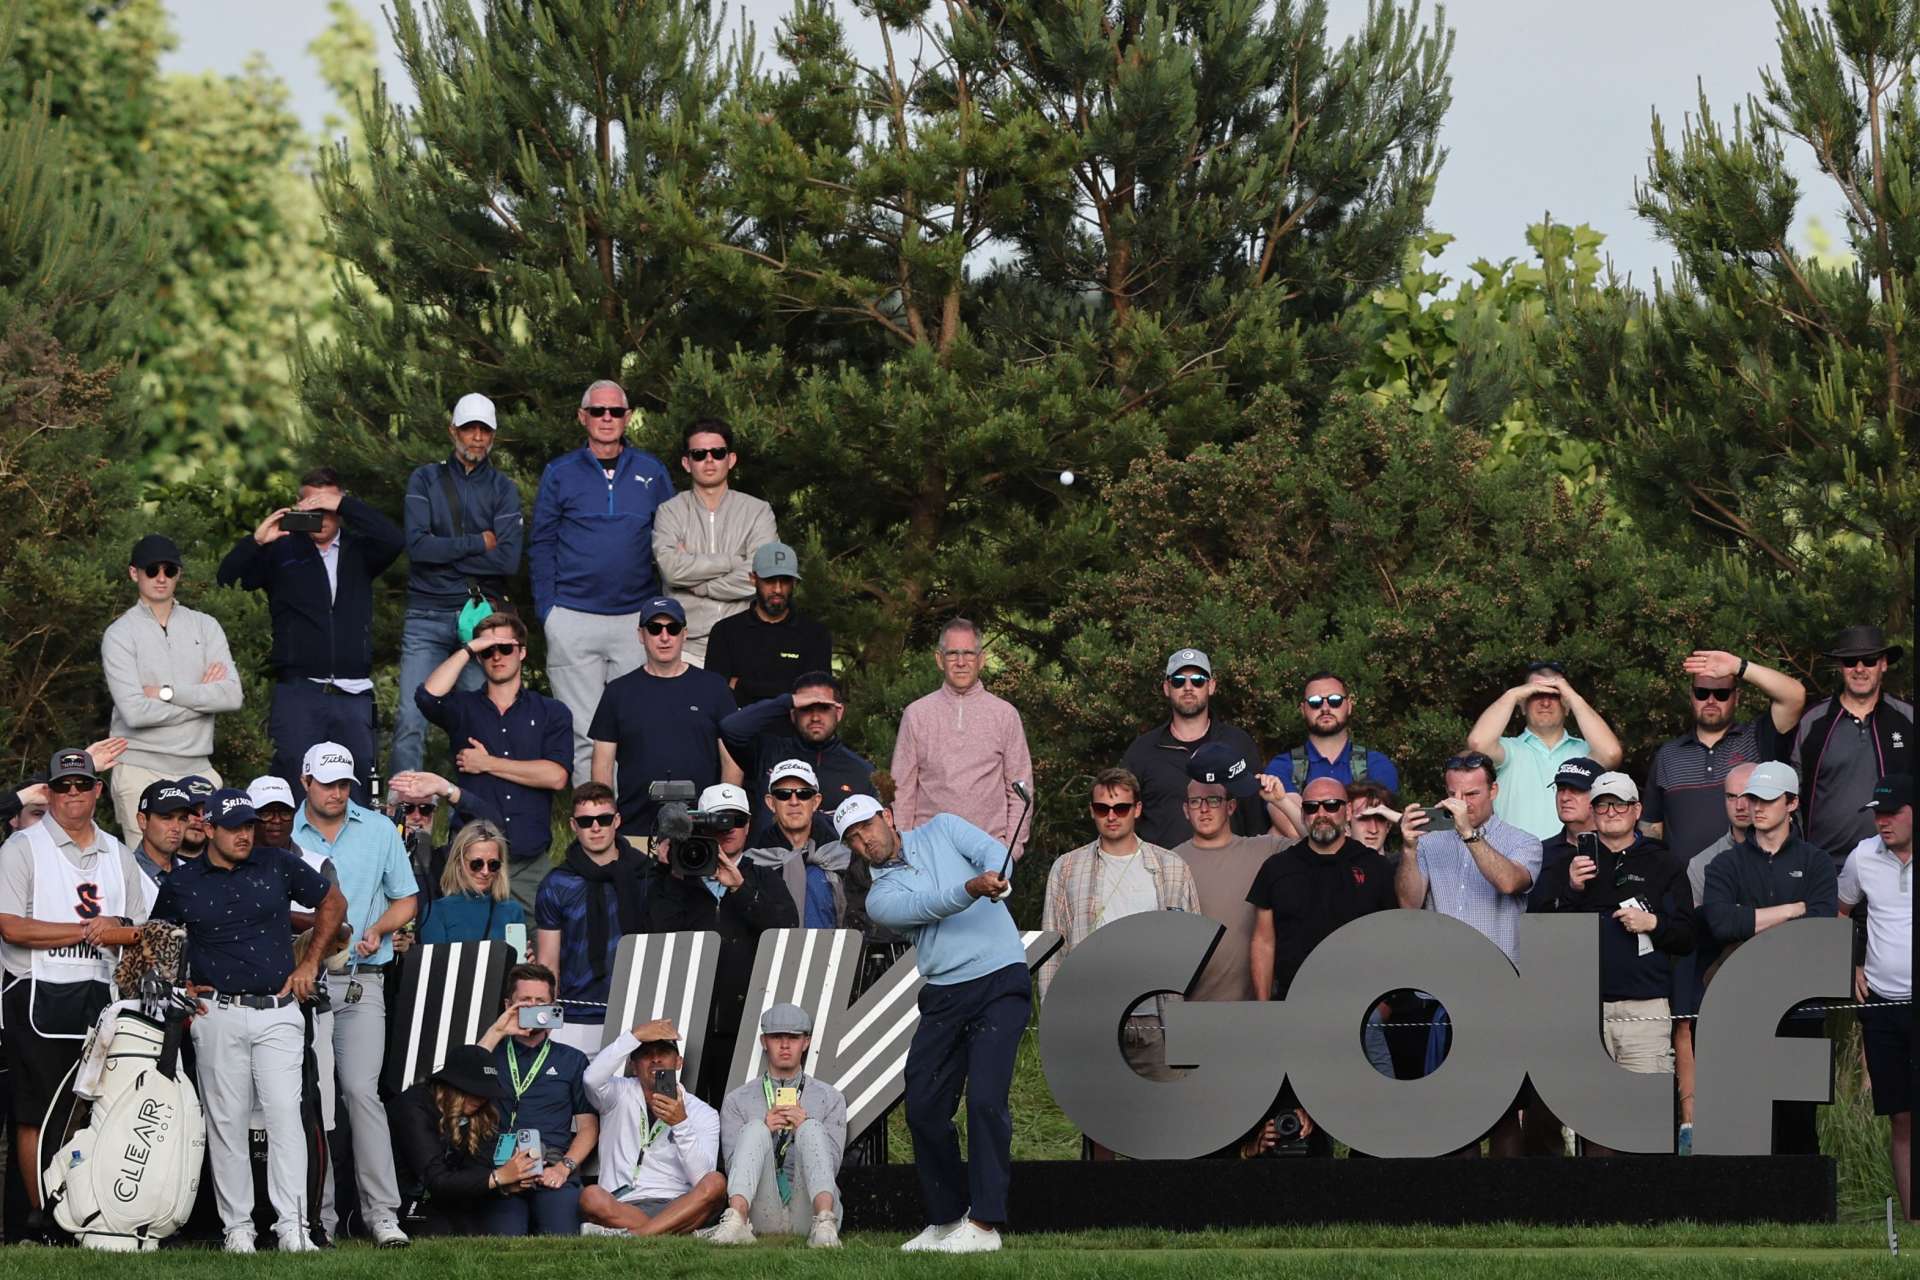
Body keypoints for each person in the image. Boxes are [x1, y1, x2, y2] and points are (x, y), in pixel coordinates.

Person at [149, 789, 345, 1253]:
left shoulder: (276, 863)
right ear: (209, 828)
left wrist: (309, 964)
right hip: (216, 1013)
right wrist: (183, 984)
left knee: (285, 1119)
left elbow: (333, 903)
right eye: (234, 826)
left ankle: (293, 1227)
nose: (244, 834)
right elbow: (158, 938)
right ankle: (237, 1228)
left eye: (249, 826)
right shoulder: (183, 881)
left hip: (278, 1011)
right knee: (227, 1123)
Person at [836, 794, 1024, 1254]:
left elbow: (993, 853)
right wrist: (973, 889)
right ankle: (944, 1220)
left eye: (867, 827)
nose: (865, 841)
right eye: (853, 839)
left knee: (984, 1101)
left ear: (888, 817)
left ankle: (983, 1224)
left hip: (1000, 978)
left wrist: (1001, 877)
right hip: (945, 995)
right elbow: (928, 905)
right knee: (923, 1108)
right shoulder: (879, 896)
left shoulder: (942, 828)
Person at [0, 748, 153, 1212]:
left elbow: (145, 934)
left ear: (97, 791)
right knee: (36, 1116)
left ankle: (87, 1212)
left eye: (81, 785)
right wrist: (90, 931)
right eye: (62, 786)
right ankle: (43, 1216)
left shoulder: (118, 854)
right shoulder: (22, 848)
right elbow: (9, 926)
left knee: (94, 1116)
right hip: (35, 995)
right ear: (48, 792)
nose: (72, 794)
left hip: (103, 1000)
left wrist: (116, 928)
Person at [289, 741, 417, 1246]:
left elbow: (406, 896)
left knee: (362, 1094)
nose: (338, 793)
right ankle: (317, 1218)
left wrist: (380, 928)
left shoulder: (380, 829)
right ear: (306, 781)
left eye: (344, 784)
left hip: (363, 980)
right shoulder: (282, 832)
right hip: (305, 985)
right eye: (328, 783)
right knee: (313, 1101)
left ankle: (382, 1214)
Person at [1527, 773, 1694, 1154]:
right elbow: (1538, 926)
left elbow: (1687, 936)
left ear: (1637, 810)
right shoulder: (1566, 863)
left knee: (1646, 1115)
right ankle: (1598, 1204)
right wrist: (1571, 889)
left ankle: (1651, 1207)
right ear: (1593, 811)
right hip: (1582, 1008)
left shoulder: (1664, 863)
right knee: (1591, 1117)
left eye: (1620, 803)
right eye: (1603, 804)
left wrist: (1654, 923)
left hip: (1644, 1005)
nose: (1611, 811)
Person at [219, 467, 404, 801]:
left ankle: (354, 852)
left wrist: (344, 503)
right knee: (293, 777)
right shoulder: (282, 551)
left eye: (328, 506)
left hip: (352, 691)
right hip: (299, 691)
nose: (322, 515)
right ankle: (293, 853)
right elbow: (229, 579)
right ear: (298, 507)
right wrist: (257, 541)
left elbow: (394, 539)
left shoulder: (359, 550)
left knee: (358, 779)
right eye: (313, 507)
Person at [1395, 751, 1543, 1157]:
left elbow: (1510, 882)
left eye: (1472, 793)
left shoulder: (1522, 841)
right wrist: (1408, 848)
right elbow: (1408, 904)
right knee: (1451, 1104)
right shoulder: (1429, 842)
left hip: (1499, 995)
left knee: (1504, 1107)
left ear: (1494, 790)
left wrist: (1468, 835)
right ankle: (1463, 1204)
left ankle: (1505, 1202)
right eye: (1452, 793)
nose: (1460, 802)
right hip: (1439, 995)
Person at [530, 379, 676, 782]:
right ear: (583, 417)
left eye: (615, 411)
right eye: (598, 411)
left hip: (635, 619)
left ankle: (638, 832)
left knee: (638, 727)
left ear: (628, 417)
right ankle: (595, 828)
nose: (607, 418)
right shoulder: (559, 472)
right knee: (585, 734)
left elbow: (669, 541)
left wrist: (659, 610)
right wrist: (549, 612)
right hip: (573, 617)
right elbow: (541, 542)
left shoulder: (652, 471)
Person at [1246, 777, 1398, 1155]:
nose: (1321, 814)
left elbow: (1392, 941)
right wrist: (1265, 1008)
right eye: (1312, 807)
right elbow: (1263, 940)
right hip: (1296, 1011)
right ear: (1303, 813)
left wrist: (1385, 1004)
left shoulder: (1374, 868)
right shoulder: (1278, 868)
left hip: (1364, 1013)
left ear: (1347, 811)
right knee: (1299, 1123)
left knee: (1378, 1113)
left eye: (1331, 805)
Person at [1039, 767, 1198, 1106]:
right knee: (1099, 1121)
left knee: (1166, 1119)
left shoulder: (1172, 867)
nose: (1112, 817)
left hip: (1160, 1019)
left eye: (1121, 808)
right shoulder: (1066, 868)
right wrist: (1057, 1022)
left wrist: (1188, 1023)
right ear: (1092, 811)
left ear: (1137, 809)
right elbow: (1054, 949)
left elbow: (1193, 950)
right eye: (1102, 809)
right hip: (1093, 1018)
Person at [1701, 761, 1837, 1153]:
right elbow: (1723, 924)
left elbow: (1821, 926)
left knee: (1798, 1117)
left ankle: (1803, 1211)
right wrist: (1792, 910)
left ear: (1791, 803)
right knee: (1745, 1113)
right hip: (1741, 1004)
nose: (1754, 807)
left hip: (1800, 1006)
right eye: (1750, 798)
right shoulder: (1725, 864)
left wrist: (1753, 920)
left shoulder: (1816, 862)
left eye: (1766, 799)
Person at [391, 392, 526, 776]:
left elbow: (507, 560)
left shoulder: (503, 489)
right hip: (426, 613)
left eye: (485, 430)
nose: (477, 437)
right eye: (470, 428)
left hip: (481, 617)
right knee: (410, 719)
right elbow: (417, 548)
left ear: (494, 436)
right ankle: (403, 816)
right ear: (453, 431)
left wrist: (444, 549)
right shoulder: (425, 478)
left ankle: (473, 810)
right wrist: (477, 543)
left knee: (478, 720)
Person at [643, 784, 796, 1101]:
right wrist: (669, 872)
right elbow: (656, 934)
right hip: (684, 1019)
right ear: (698, 825)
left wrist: (740, 887)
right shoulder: (676, 877)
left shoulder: (765, 877)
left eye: (736, 820)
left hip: (745, 1021)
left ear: (749, 826)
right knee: (678, 1108)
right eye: (717, 821)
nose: (728, 829)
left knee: (744, 1110)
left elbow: (786, 930)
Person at [416, 609, 572, 911]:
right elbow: (427, 697)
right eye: (487, 651)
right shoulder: (464, 707)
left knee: (533, 949)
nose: (497, 656)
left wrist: (487, 763)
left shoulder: (551, 711)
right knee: (468, 952)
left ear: (522, 651)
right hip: (471, 862)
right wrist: (467, 648)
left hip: (528, 861)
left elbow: (556, 776)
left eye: (505, 648)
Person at [100, 532, 242, 835]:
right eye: (152, 570)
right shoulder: (119, 634)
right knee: (149, 876)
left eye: (169, 570)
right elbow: (135, 713)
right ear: (133, 573)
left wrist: (167, 694)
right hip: (139, 771)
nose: (161, 578)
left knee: (206, 875)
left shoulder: (206, 626)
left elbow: (231, 696)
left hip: (199, 769)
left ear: (179, 574)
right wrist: (203, 702)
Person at [589, 596, 740, 831]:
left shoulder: (714, 688)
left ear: (684, 634)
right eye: (654, 628)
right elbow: (602, 766)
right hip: (634, 828)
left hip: (701, 829)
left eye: (673, 628)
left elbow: (732, 760)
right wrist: (606, 822)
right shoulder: (618, 692)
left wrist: (722, 815)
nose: (664, 636)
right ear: (641, 635)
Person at [1642, 648, 1805, 860]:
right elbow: (1651, 828)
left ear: (1736, 698)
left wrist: (1739, 666)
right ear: (1692, 696)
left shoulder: (1757, 738)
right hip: (1685, 887)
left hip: (1754, 883)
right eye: (1702, 692)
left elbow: (1795, 696)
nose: (1711, 700)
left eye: (1721, 694)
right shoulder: (1668, 755)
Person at [703, 1004, 845, 1247]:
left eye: (793, 1037)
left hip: (809, 1208)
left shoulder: (830, 1098)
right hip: (761, 1209)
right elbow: (733, 1167)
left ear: (806, 1042)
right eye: (777, 1037)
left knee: (811, 1128)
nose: (785, 1045)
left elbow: (830, 1167)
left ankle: (825, 1224)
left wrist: (804, 1125)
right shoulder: (737, 1099)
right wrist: (765, 1129)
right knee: (755, 1128)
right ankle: (736, 1221)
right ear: (763, 1042)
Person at [891, 619, 1034, 857]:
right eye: (952, 654)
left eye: (968, 653)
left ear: (981, 659)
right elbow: (901, 789)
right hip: (929, 855)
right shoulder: (916, 714)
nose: (960, 662)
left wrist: (1010, 850)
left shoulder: (1004, 715)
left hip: (988, 855)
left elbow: (1021, 789)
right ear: (939, 659)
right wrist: (906, 850)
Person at [471, 963, 597, 1235]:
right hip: (501, 1168)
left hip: (552, 1168)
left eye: (541, 1001)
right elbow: (464, 1081)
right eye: (524, 1001)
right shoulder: (491, 1052)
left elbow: (588, 1128)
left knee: (561, 1239)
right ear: (509, 1004)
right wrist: (498, 1031)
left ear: (553, 1005)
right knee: (504, 1241)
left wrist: (564, 1168)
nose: (533, 1007)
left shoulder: (571, 1059)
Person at [1840, 774, 1914, 1219]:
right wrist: (1851, 963)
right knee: (1901, 1118)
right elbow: (1841, 909)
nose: (1882, 822)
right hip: (1884, 1006)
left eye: (1891, 814)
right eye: (1877, 814)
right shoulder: (1863, 856)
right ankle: (1912, 1222)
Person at [579, 1017, 725, 1236]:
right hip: (625, 1204)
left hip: (681, 1203)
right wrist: (634, 1036)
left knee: (715, 1182)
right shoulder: (618, 1093)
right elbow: (591, 1078)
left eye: (663, 1053)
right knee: (591, 1196)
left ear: (678, 1062)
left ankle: (634, 1236)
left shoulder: (703, 1112)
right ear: (633, 1066)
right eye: (646, 1054)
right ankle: (667, 1232)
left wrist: (681, 1123)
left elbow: (702, 1177)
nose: (655, 1059)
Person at [652, 418, 778, 668]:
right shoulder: (669, 511)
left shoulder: (758, 511)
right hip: (685, 647)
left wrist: (700, 586)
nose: (709, 460)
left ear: (730, 459)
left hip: (745, 642)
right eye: (699, 454)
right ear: (687, 463)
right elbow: (671, 570)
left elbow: (762, 576)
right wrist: (733, 561)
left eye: (717, 453)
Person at [1172, 746, 1289, 1003]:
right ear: (1185, 809)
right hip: (1188, 1009)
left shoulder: (1262, 849)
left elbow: (1319, 845)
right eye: (1195, 802)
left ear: (1231, 806)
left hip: (1250, 1009)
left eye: (1213, 800)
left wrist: (1280, 801)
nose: (1204, 809)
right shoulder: (1169, 862)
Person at [1122, 647, 1268, 847]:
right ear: (1167, 687)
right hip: (1162, 874)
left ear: (1211, 686)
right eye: (1179, 681)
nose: (1188, 687)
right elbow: (1122, 817)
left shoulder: (1238, 743)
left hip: (1229, 872)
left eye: (1198, 680)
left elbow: (1255, 816)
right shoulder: (1142, 750)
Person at [1465, 660, 1625, 840]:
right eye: (1536, 695)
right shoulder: (1509, 750)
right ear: (1523, 706)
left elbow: (1612, 754)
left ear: (1567, 707)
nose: (1546, 703)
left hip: (1572, 861)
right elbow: (1477, 744)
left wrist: (1572, 696)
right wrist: (1513, 694)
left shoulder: (1585, 753)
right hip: (1515, 863)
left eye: (1555, 695)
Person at [1792, 626, 1913, 861]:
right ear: (1840, 667)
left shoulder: (1908, 718)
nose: (1859, 669)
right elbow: (1792, 792)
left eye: (1869, 660)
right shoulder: (1813, 722)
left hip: (1894, 864)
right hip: (1825, 866)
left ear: (1883, 664)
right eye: (1850, 661)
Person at [722, 672, 875, 846]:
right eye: (806, 708)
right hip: (765, 867)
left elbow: (869, 834)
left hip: (833, 869)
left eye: (823, 708)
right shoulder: (768, 751)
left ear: (838, 712)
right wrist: (787, 701)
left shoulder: (862, 771)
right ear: (793, 714)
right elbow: (730, 728)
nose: (815, 717)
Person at [389, 1044, 528, 1236]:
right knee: (439, 1235)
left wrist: (505, 1184)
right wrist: (498, 1177)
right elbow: (436, 1180)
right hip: (398, 1199)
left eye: (485, 1091)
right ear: (451, 1084)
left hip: (446, 1199)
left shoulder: (480, 1112)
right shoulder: (414, 1107)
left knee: (477, 1233)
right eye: (474, 1090)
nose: (481, 1098)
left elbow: (476, 1169)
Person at [535, 783, 650, 1013]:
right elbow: (548, 964)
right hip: (575, 1012)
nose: (596, 827)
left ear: (617, 821)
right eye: (586, 821)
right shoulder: (555, 883)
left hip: (638, 1008)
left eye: (604, 819)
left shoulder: (646, 874)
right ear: (573, 826)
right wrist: (545, 1022)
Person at [1260, 672, 1401, 840]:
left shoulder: (1377, 764)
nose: (1325, 708)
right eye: (1314, 702)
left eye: (1335, 700)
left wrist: (1311, 817)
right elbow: (1292, 829)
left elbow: (1373, 828)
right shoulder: (1282, 766)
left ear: (1349, 705)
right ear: (1303, 709)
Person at [704, 542, 833, 706]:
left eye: (785, 580)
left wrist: (743, 687)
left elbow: (816, 697)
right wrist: (790, 696)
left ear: (794, 583)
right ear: (753, 579)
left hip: (793, 730)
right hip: (740, 729)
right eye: (770, 580)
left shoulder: (815, 634)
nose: (778, 589)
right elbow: (715, 696)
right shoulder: (725, 631)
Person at [742, 760, 851, 927]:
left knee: (815, 877)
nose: (794, 801)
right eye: (784, 794)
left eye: (804, 793)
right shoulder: (751, 864)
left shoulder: (844, 858)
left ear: (815, 802)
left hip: (836, 950)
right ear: (771, 803)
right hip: (768, 952)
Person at [419, 822, 527, 945]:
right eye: (477, 864)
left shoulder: (513, 910)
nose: (485, 872)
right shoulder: (437, 911)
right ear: (459, 863)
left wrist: (524, 961)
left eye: (493, 865)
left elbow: (517, 962)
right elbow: (435, 962)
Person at [131, 778, 194, 886]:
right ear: (143, 821)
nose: (177, 828)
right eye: (167, 818)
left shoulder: (193, 873)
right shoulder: (122, 873)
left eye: (182, 819)